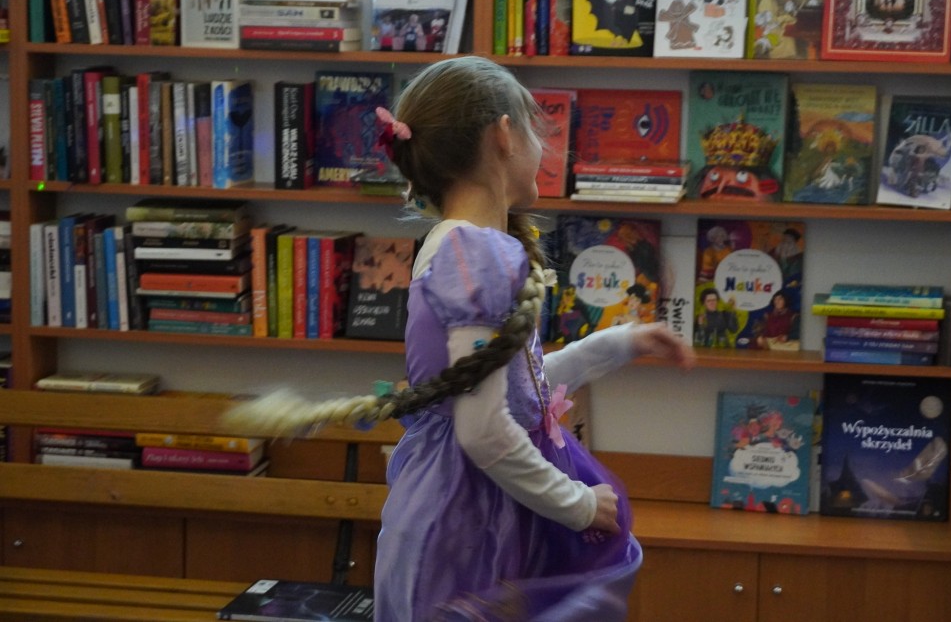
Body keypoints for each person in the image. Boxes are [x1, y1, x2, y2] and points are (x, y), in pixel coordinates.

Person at [223, 56, 695, 621]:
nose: (544, 149)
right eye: (535, 131)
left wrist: (620, 344)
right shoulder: (477, 256)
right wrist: (577, 505)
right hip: (469, 525)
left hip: (474, 509)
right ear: (503, 135)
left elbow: (515, 390)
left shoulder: (461, 246)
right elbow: (485, 432)